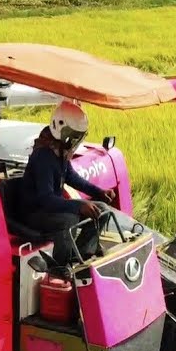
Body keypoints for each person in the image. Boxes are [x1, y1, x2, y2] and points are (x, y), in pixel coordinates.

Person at [14, 101, 116, 262]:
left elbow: (71, 177)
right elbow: (46, 199)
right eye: (73, 135)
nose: (76, 140)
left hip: (50, 208)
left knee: (102, 210)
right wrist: (79, 206)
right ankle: (62, 265)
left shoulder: (60, 149)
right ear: (61, 129)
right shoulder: (44, 156)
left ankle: (82, 255)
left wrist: (99, 192)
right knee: (69, 220)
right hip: (35, 213)